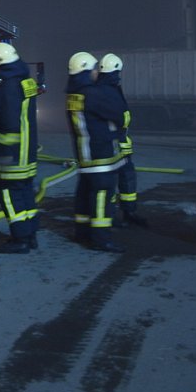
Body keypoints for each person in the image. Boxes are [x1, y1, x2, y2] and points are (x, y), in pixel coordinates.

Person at [66, 51, 126, 253]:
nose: (95, 73)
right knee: (102, 195)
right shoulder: (92, 94)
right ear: (85, 70)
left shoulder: (73, 94)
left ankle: (81, 232)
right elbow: (118, 114)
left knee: (84, 194)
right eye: (93, 69)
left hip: (84, 154)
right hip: (100, 154)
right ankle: (102, 239)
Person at [0, 42, 40, 254]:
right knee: (26, 194)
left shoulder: (8, 88)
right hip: (27, 154)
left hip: (11, 157)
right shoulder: (26, 82)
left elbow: (8, 125)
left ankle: (20, 239)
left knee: (9, 196)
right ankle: (31, 234)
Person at [97, 53, 148, 228]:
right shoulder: (107, 90)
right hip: (112, 144)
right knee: (112, 180)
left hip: (120, 144)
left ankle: (128, 211)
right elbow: (119, 116)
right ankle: (112, 215)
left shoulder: (109, 87)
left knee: (127, 177)